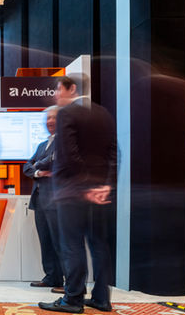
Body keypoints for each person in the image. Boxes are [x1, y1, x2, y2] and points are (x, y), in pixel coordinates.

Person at [39, 76, 116, 314]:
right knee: (99, 245)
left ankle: (72, 299)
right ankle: (102, 299)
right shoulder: (103, 113)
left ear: (71, 88)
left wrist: (85, 185)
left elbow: (68, 154)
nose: (56, 95)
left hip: (73, 192)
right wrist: (105, 185)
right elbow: (114, 153)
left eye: (58, 89)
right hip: (100, 194)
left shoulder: (67, 113)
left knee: (72, 246)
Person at [23, 106, 64, 292]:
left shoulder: (64, 143)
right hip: (39, 199)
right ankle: (51, 277)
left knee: (59, 241)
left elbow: (52, 162)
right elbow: (27, 166)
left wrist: (37, 165)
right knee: (45, 240)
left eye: (53, 118)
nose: (50, 121)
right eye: (47, 118)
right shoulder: (42, 145)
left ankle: (66, 281)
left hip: (56, 199)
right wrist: (38, 171)